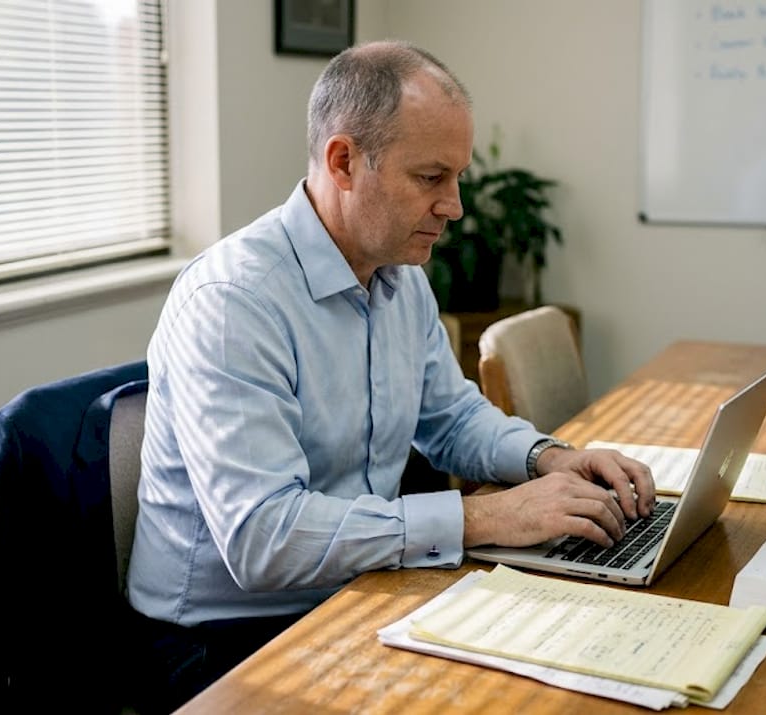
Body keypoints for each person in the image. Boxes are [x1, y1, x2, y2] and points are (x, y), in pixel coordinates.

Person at [124, 39, 655, 714]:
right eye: (431, 178)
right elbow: (265, 537)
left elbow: (452, 416)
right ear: (343, 162)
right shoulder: (235, 302)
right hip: (221, 640)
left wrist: (550, 458)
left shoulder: (399, 278)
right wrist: (484, 515)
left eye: (456, 178)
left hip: (356, 589)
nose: (455, 206)